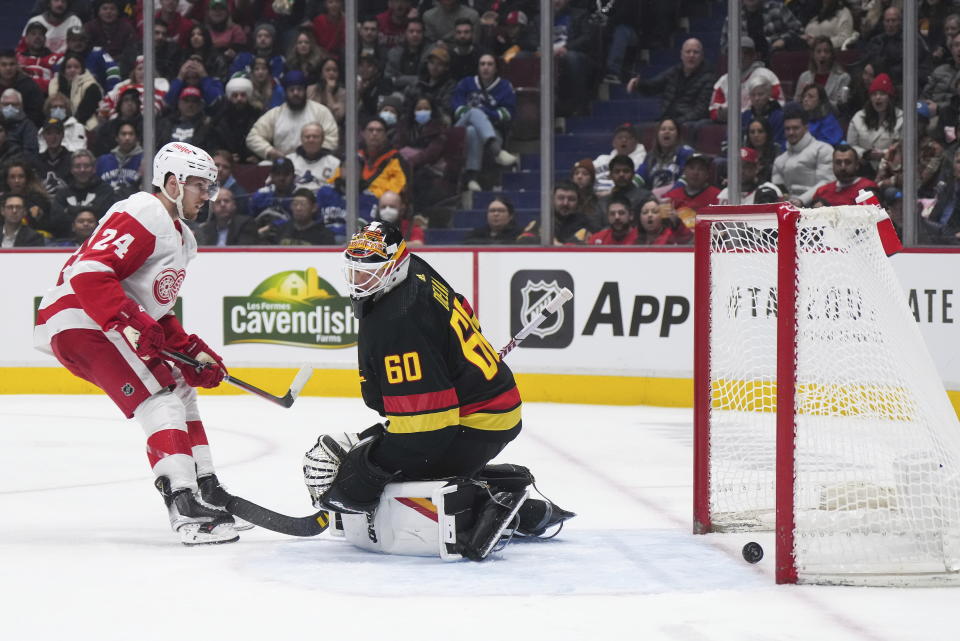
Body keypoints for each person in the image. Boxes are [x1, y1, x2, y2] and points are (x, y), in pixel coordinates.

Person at [303, 221, 573, 561]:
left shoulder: (395, 321)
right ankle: (492, 487)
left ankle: (487, 505)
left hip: (475, 421)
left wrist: (362, 476)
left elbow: (427, 431)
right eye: (355, 271)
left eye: (370, 272)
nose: (360, 281)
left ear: (395, 265)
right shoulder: (414, 270)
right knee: (386, 454)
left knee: (388, 476)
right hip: (488, 406)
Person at [33, 141, 244, 545]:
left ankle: (207, 490)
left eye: (210, 187)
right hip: (82, 318)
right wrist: (129, 321)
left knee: (182, 391)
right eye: (200, 185)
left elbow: (156, 313)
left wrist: (193, 354)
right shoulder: (144, 212)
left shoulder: (181, 237)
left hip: (103, 320)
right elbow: (90, 272)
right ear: (172, 183)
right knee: (160, 398)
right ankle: (184, 505)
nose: (208, 196)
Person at [246, 70, 339, 161]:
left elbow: (332, 139)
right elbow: (253, 137)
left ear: (305, 90)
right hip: (284, 167)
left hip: (316, 164)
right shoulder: (275, 114)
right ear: (285, 92)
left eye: (299, 89)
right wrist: (270, 151)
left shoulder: (321, 112)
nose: (296, 93)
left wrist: (312, 153)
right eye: (291, 90)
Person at [626, 37, 715, 125]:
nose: (691, 55)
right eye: (688, 52)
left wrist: (675, 123)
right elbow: (654, 86)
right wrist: (638, 84)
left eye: (696, 52)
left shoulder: (709, 77)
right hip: (667, 120)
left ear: (702, 56)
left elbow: (700, 111)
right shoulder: (674, 71)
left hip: (687, 123)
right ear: (681, 55)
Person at [709, 37, 783, 123]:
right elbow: (713, 111)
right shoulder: (723, 81)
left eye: (746, 53)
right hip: (730, 126)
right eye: (738, 53)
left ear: (754, 55)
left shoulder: (766, 76)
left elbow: (779, 105)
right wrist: (722, 114)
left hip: (761, 125)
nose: (742, 56)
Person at [773, 103, 834, 206]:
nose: (791, 132)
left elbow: (826, 183)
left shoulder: (823, 149)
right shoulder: (779, 160)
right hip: (789, 209)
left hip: (817, 207)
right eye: (787, 129)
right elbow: (777, 191)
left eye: (796, 128)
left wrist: (801, 200)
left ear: (806, 127)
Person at [847, 72, 903, 177]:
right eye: (874, 94)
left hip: (890, 170)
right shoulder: (859, 117)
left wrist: (883, 153)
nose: (878, 97)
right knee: (862, 190)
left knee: (886, 191)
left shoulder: (901, 118)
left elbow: (903, 147)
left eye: (882, 94)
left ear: (890, 97)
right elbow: (851, 145)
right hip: (862, 167)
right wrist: (864, 153)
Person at [636, 118, 695, 196]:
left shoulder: (686, 153)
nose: (667, 132)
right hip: (652, 200)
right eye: (663, 129)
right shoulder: (651, 156)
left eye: (671, 129)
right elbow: (639, 176)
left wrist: (665, 195)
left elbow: (686, 179)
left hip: (677, 198)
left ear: (678, 135)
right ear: (657, 135)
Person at [54, 149, 116, 220]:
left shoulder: (105, 191)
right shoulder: (63, 193)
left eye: (86, 166)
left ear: (94, 169)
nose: (82, 170)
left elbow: (103, 215)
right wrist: (92, 209)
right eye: (77, 166)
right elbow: (56, 219)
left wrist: (70, 209)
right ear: (71, 169)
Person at [794, 36, 851, 110]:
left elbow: (840, 106)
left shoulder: (843, 77)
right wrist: (802, 96)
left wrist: (817, 100)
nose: (822, 55)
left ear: (832, 55)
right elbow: (796, 102)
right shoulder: (804, 77)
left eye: (826, 51)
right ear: (813, 55)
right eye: (818, 51)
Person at [811, 144, 879, 207]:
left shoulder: (868, 188)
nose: (843, 167)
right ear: (833, 165)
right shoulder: (821, 191)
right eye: (838, 162)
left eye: (848, 162)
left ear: (857, 165)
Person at [263, 187, 335, 246]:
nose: (298, 208)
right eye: (295, 204)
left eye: (303, 204)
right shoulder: (283, 229)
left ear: (314, 208)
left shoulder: (324, 235)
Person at [717, 147, 783, 205]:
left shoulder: (771, 190)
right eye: (738, 166)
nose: (741, 171)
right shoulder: (724, 194)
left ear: (756, 168)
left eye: (746, 166)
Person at [593, 123, 647, 194]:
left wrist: (610, 193)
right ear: (613, 142)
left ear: (636, 142)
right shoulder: (602, 159)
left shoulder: (644, 160)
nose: (624, 140)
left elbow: (634, 185)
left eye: (628, 137)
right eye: (620, 137)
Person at [287, 122, 341, 190]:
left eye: (315, 137)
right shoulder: (289, 160)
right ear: (301, 139)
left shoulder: (334, 163)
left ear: (322, 139)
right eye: (307, 137)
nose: (311, 140)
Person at [95, 120, 143, 197]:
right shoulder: (103, 160)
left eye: (131, 134)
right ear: (116, 138)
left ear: (136, 138)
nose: (127, 138)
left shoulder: (144, 160)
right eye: (123, 134)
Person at [0, 49, 46, 127]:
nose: (8, 68)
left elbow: (36, 115)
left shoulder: (30, 86)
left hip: (23, 130)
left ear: (17, 65)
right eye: (4, 65)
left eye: (12, 64)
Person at [17, 21, 61, 94]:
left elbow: (56, 85)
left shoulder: (56, 58)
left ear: (45, 38)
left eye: (41, 34)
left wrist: (27, 77)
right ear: (26, 39)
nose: (37, 37)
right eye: (33, 34)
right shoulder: (17, 58)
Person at [385, 18, 429, 91]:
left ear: (423, 33)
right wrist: (415, 79)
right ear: (405, 33)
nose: (415, 35)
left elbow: (428, 79)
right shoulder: (394, 52)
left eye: (419, 32)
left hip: (423, 93)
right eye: (411, 31)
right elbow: (389, 78)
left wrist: (401, 79)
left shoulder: (430, 52)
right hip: (396, 92)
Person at [33, 117, 72, 195]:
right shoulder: (36, 160)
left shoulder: (73, 159)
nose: (53, 137)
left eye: (57, 133)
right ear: (43, 136)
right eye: (49, 133)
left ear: (63, 135)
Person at [308, 58, 346, 128]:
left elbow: (337, 117)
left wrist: (329, 92)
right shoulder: (311, 90)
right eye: (327, 70)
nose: (331, 73)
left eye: (335, 70)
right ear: (321, 73)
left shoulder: (343, 93)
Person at [2, 89, 40, 156]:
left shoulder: (28, 127)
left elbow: (31, 153)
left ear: (21, 106)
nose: (10, 107)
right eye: (6, 104)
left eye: (14, 105)